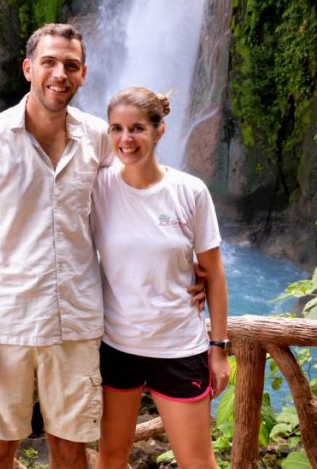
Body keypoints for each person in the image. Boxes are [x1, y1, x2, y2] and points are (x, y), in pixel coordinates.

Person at [0, 23, 111, 469]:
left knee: (72, 449)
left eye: (71, 65)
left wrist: (188, 264)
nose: (60, 74)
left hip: (76, 324)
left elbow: (131, 218)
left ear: (84, 74)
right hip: (6, 324)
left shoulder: (99, 139)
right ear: (28, 68)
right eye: (49, 62)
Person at [92, 86, 230, 469]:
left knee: (198, 462)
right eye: (116, 129)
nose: (126, 139)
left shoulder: (189, 192)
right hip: (117, 344)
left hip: (179, 346)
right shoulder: (98, 186)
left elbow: (214, 273)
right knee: (112, 457)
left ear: (159, 130)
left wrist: (217, 349)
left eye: (137, 128)